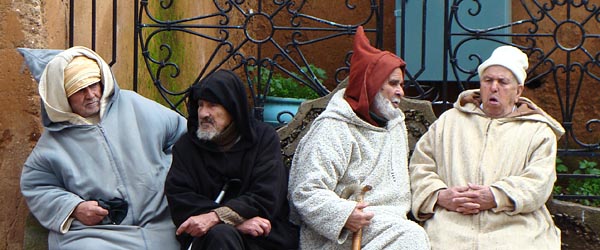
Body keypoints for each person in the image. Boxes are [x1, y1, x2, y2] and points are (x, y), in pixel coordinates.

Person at [20, 46, 187, 249]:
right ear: (62, 96)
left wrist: (165, 175)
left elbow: (183, 137)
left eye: (94, 84)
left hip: (163, 219)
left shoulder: (134, 105)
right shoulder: (51, 145)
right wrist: (75, 207)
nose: (91, 94)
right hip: (99, 234)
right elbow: (37, 186)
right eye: (80, 90)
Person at [287, 26, 430, 249]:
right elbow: (306, 192)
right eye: (393, 84)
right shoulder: (333, 128)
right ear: (371, 85)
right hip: (340, 235)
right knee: (411, 236)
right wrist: (344, 215)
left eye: (401, 84)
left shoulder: (396, 125)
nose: (401, 91)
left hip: (390, 227)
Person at [409, 45, 564, 249]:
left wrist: (496, 196)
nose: (493, 87)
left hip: (516, 226)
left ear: (518, 91)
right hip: (452, 223)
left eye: (503, 82)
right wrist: (440, 195)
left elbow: (539, 182)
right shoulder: (449, 122)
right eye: (488, 80)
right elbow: (420, 166)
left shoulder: (538, 131)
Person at [164, 69, 299, 250]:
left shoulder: (263, 139)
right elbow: (181, 199)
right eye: (200, 105)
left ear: (233, 108)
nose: (203, 113)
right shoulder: (186, 147)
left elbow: (267, 195)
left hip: (262, 235)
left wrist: (217, 217)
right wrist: (232, 222)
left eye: (212, 105)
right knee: (221, 236)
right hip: (209, 239)